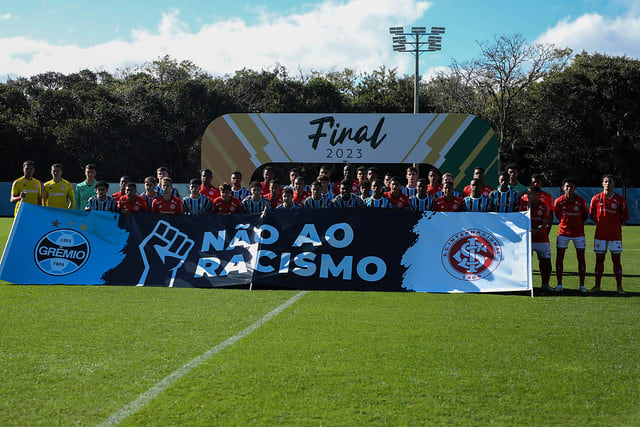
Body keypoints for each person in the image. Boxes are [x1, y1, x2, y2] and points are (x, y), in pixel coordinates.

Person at [589, 174, 629, 294]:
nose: (608, 184)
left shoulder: (620, 200)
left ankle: (619, 287)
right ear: (602, 184)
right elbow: (592, 215)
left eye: (610, 181)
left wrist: (614, 225)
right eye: (605, 181)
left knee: (616, 260)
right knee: (599, 260)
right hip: (600, 235)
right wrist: (602, 224)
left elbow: (625, 216)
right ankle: (597, 285)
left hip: (615, 235)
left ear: (613, 184)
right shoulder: (596, 198)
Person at [553, 177, 589, 292]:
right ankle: (559, 285)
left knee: (581, 258)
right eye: (567, 186)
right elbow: (558, 216)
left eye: (571, 187)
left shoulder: (581, 201)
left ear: (575, 188)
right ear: (563, 188)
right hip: (563, 233)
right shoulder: (558, 201)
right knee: (560, 258)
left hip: (578, 233)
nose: (569, 189)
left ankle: (582, 286)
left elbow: (584, 215)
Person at [521, 186, 553, 292]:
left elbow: (544, 223)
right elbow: (521, 220)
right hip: (527, 239)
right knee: (525, 262)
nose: (528, 195)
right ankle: (526, 284)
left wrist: (535, 231)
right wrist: (528, 208)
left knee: (545, 262)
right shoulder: (524, 205)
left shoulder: (544, 206)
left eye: (531, 193)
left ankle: (545, 284)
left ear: (537, 195)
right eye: (528, 193)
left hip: (541, 238)